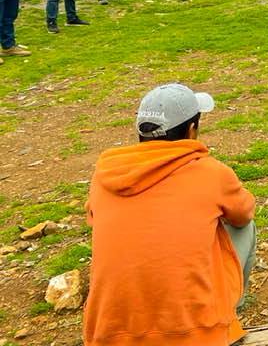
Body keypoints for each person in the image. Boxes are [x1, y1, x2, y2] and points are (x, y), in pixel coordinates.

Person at [84, 83, 256, 346]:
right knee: (243, 225)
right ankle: (227, 316)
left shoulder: (105, 176)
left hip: (110, 336)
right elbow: (243, 213)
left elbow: (95, 220)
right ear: (192, 129)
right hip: (197, 336)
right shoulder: (212, 173)